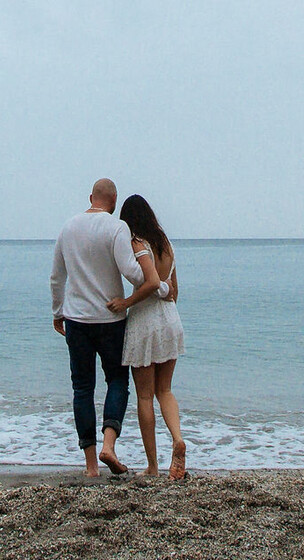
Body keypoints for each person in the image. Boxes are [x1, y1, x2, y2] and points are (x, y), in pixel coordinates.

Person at [50, 178, 146, 476]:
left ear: (91, 196)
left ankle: (91, 466)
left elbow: (57, 277)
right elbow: (133, 273)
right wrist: (154, 272)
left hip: (76, 319)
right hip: (110, 319)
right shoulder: (117, 227)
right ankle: (109, 445)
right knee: (117, 381)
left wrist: (57, 312)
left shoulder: (68, 227)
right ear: (114, 202)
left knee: (82, 388)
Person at [108, 193, 187, 479]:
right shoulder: (166, 244)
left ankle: (153, 466)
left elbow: (151, 283)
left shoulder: (138, 243)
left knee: (144, 396)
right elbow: (173, 291)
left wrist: (125, 303)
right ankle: (177, 439)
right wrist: (162, 289)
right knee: (165, 390)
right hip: (170, 320)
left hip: (145, 322)